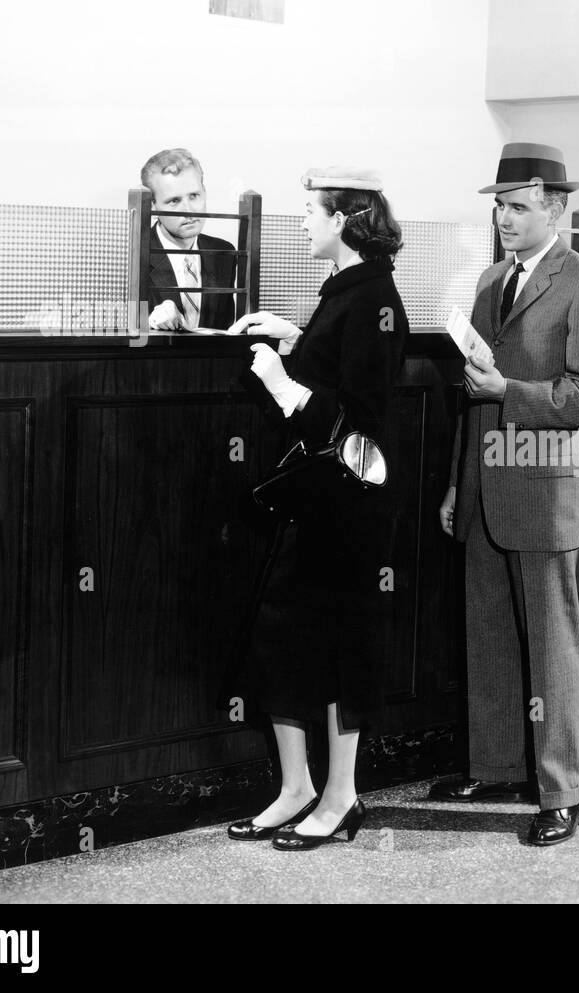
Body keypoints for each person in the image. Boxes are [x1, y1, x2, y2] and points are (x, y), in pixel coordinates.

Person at [429, 142, 579, 846]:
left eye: (518, 206)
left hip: (544, 488)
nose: (504, 218)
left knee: (552, 646)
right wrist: (457, 480)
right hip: (485, 483)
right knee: (488, 632)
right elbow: (470, 393)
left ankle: (560, 790)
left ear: (557, 209)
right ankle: (498, 764)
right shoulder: (489, 284)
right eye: (499, 207)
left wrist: (511, 391)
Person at [225, 166, 409, 849]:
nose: (302, 221)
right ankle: (297, 787)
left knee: (342, 647)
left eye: (310, 211)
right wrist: (298, 341)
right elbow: (340, 366)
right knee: (283, 634)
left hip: (353, 504)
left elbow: (358, 421)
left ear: (343, 221)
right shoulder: (347, 292)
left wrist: (283, 384)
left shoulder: (375, 299)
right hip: (320, 500)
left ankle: (341, 795)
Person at [140, 148, 238, 331]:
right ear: (152, 206)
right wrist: (149, 322)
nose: (189, 210)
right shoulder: (135, 255)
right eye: (174, 201)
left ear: (205, 192)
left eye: (194, 196)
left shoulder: (224, 253)